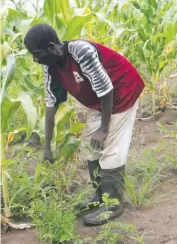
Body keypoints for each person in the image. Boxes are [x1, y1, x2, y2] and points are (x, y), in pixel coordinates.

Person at [24, 23, 145, 226]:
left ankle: (113, 204)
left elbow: (106, 89)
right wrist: (46, 147)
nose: (35, 60)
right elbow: (51, 105)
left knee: (111, 148)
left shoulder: (81, 52)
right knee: (90, 145)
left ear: (52, 47)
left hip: (122, 92)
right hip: (100, 102)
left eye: (37, 54)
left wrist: (104, 129)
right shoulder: (50, 67)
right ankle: (99, 196)